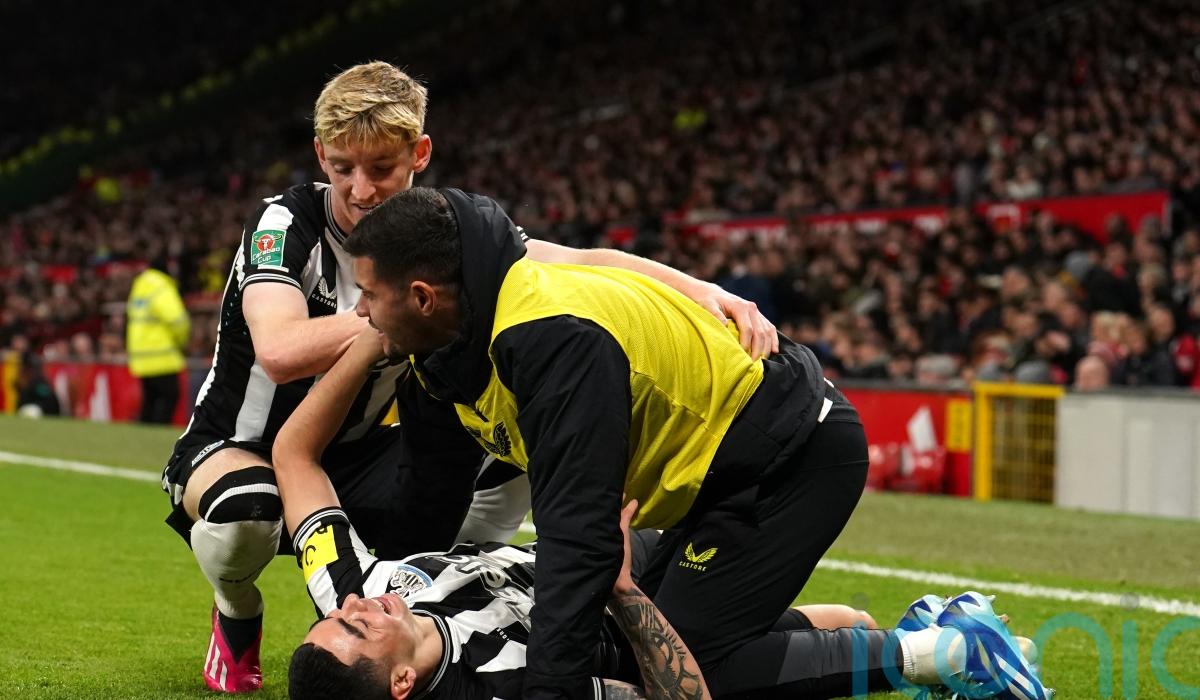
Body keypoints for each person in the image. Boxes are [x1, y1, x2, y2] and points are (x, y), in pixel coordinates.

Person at [161, 61, 778, 693]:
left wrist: (705, 290)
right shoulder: (285, 223)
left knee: (513, 439)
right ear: (320, 155)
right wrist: (385, 315)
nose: (361, 189)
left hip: (361, 449)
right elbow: (280, 350)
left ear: (420, 154)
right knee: (247, 511)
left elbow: (577, 262)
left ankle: (459, 606)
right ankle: (236, 609)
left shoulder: (439, 230)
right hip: (238, 443)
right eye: (342, 167)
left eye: (381, 168)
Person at [343, 187, 1049, 699]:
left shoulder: (547, 339)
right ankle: (906, 633)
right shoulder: (443, 351)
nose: (361, 314)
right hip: (711, 470)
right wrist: (389, 598)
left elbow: (579, 537)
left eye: (369, 295)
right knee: (642, 640)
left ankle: (952, 652)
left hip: (790, 455)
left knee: (687, 664)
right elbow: (427, 512)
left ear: (424, 295)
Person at [275, 329, 1047, 700]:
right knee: (717, 660)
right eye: (356, 630)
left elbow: (294, 460)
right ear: (401, 683)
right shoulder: (502, 693)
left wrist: (367, 338)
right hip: (619, 604)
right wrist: (619, 590)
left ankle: (922, 642)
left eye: (337, 615)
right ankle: (945, 649)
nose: (354, 607)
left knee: (800, 620)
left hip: (603, 540)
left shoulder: (359, 584)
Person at [126, 257, 190, 424]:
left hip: (141, 357)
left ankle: (144, 434)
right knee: (170, 396)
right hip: (162, 356)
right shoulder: (162, 287)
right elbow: (177, 321)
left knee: (150, 399)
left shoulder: (140, 286)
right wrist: (181, 342)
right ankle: (158, 432)